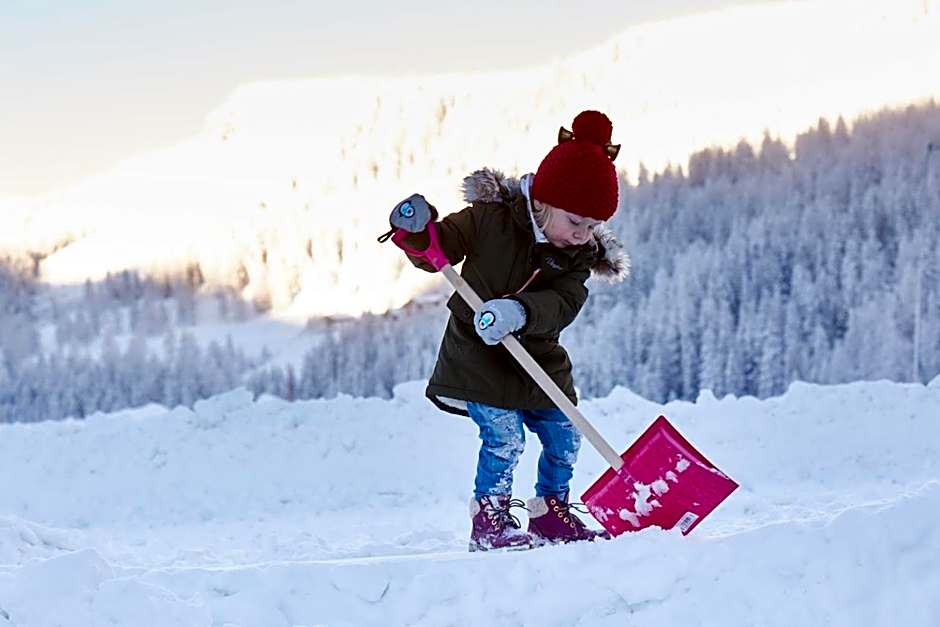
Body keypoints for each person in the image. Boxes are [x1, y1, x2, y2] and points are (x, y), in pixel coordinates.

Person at [389, 110, 629, 551]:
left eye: (592, 226)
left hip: (537, 358)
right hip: (478, 355)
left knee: (564, 431)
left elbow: (564, 303)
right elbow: (441, 249)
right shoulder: (489, 219)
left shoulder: (578, 255)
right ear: (543, 202)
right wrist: (419, 234)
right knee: (505, 436)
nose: (582, 235)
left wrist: (519, 311)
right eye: (575, 222)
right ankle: (491, 519)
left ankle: (549, 513)